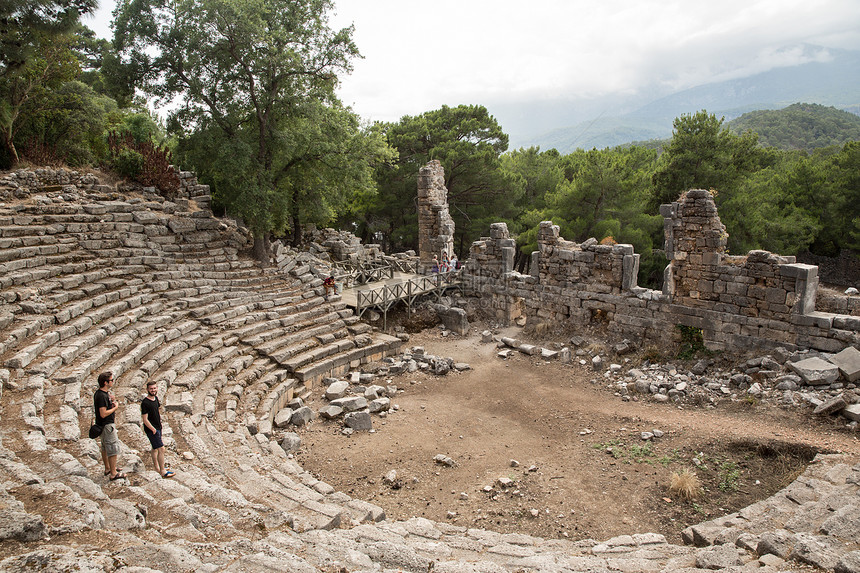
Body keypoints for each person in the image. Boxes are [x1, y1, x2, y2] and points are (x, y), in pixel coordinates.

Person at [94, 371, 124, 480]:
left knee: (105, 447)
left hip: (102, 425)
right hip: (107, 426)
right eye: (111, 380)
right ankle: (113, 473)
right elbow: (103, 413)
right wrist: (115, 407)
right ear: (105, 382)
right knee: (112, 448)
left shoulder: (100, 394)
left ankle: (108, 468)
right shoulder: (101, 396)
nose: (113, 382)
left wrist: (112, 400)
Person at [141, 380, 174, 478]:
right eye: (151, 389)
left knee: (155, 448)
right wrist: (153, 429)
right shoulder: (145, 403)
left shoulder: (155, 399)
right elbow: (144, 419)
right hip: (152, 429)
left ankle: (157, 467)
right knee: (161, 449)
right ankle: (163, 471)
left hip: (158, 427)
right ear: (147, 389)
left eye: (154, 388)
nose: (153, 390)